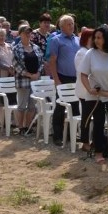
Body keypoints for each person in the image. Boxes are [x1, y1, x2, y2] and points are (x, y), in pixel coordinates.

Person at [79, 25, 108, 164]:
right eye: (95, 38)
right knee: (98, 123)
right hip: (95, 95)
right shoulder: (90, 53)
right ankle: (98, 152)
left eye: (99, 37)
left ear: (107, 38)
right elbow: (83, 74)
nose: (96, 40)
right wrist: (89, 89)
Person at [48, 15, 80, 146]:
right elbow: (52, 61)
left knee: (75, 106)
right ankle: (57, 135)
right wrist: (56, 79)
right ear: (61, 27)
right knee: (60, 107)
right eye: (68, 24)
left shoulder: (77, 39)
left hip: (76, 77)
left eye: (72, 23)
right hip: (63, 77)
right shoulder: (56, 40)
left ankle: (72, 134)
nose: (71, 26)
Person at [13, 25, 45, 133]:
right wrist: (29, 75)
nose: (28, 34)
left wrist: (38, 72)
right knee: (22, 105)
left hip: (35, 80)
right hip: (23, 81)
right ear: (20, 34)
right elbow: (16, 65)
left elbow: (41, 62)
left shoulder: (36, 47)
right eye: (25, 32)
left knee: (32, 105)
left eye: (29, 33)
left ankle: (28, 126)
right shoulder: (16, 48)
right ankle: (20, 127)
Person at [74, 28, 95, 151]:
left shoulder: (90, 52)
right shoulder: (82, 52)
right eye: (93, 38)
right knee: (86, 117)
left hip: (91, 90)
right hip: (84, 90)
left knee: (92, 116)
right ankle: (85, 142)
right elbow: (83, 71)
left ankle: (92, 140)